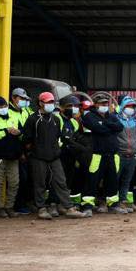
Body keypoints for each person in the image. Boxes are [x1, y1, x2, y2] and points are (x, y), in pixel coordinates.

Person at [21, 92, 86, 220]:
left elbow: (58, 137)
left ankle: (68, 207)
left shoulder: (55, 119)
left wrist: (55, 151)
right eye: (48, 102)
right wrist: (34, 151)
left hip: (54, 156)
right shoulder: (33, 119)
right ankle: (41, 208)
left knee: (61, 181)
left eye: (52, 102)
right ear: (40, 103)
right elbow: (26, 139)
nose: (50, 105)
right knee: (40, 183)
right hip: (38, 157)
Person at [80, 93, 124, 215]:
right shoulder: (89, 116)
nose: (105, 105)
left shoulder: (111, 116)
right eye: (102, 103)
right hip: (97, 155)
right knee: (92, 180)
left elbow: (120, 127)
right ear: (95, 104)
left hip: (112, 154)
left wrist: (105, 123)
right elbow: (97, 128)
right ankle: (87, 206)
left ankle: (113, 204)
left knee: (112, 180)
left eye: (106, 103)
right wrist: (109, 126)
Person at [8, 87, 34, 214]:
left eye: (25, 99)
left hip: (28, 148)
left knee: (28, 178)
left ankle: (26, 202)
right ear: (13, 98)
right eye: (21, 98)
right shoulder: (8, 112)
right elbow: (12, 132)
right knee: (19, 180)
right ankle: (17, 205)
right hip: (16, 149)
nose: (23, 101)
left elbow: (28, 129)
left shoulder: (26, 111)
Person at [116, 96, 136, 212]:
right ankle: (112, 203)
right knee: (115, 179)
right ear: (122, 107)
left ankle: (122, 201)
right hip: (119, 156)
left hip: (132, 157)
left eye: (133, 107)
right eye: (128, 106)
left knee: (127, 181)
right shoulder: (116, 120)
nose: (131, 109)